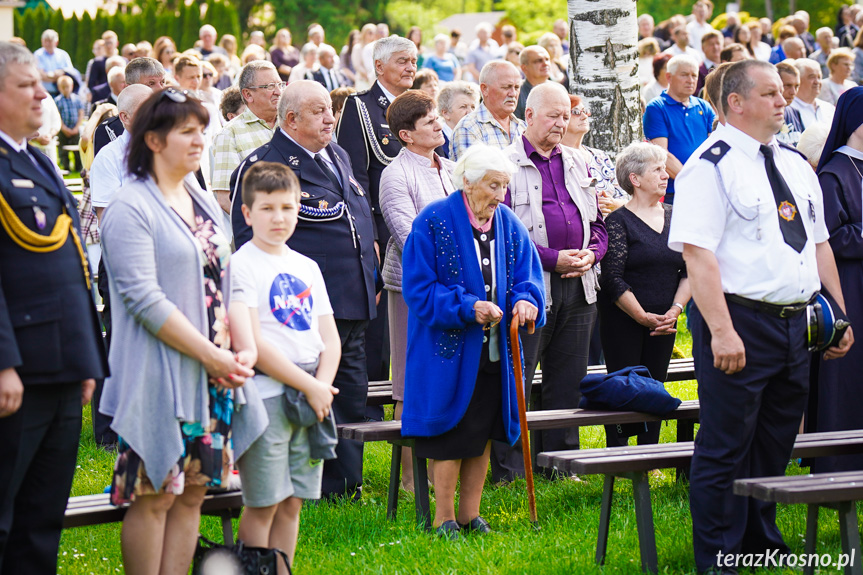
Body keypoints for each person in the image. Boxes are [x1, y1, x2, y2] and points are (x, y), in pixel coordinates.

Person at [668, 59, 853, 573]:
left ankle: (758, 537)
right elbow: (698, 256)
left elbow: (819, 246)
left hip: (797, 322)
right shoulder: (711, 165)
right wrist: (722, 331)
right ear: (736, 102)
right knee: (726, 443)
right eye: (771, 93)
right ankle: (718, 553)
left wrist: (836, 313)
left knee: (774, 441)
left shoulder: (794, 163)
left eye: (783, 93)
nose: (782, 101)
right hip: (739, 321)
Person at [99, 89, 254, 575]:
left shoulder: (200, 198)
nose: (198, 141)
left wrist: (239, 349)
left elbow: (227, 279)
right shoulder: (130, 206)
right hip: (160, 374)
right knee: (153, 497)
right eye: (186, 131)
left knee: (192, 495)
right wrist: (210, 355)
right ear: (152, 139)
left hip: (215, 375)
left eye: (201, 130)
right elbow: (143, 299)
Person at [231, 80, 377, 501]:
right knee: (293, 395)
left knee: (348, 393)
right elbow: (249, 243)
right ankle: (293, 483)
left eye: (329, 109)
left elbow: (353, 219)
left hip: (349, 297)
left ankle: (344, 486)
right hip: (295, 311)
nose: (330, 117)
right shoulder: (266, 164)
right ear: (291, 119)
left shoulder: (337, 153)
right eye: (318, 111)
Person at [0, 41, 107, 575]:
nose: (41, 94)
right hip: (17, 372)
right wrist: (3, 362)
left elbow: (73, 267)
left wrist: (86, 359)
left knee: (42, 517)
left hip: (62, 365)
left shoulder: (34, 160)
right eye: (26, 85)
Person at [401, 143, 545, 538]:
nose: (501, 195)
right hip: (446, 354)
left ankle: (469, 515)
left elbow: (527, 275)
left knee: (481, 431)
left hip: (494, 352)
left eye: (504, 186)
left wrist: (526, 303)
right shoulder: (433, 221)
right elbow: (418, 290)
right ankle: (442, 517)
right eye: (493, 185)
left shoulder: (508, 223)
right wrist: (468, 307)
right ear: (467, 182)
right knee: (453, 433)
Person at [229, 161, 340, 569]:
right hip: (268, 397)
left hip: (312, 395)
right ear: (247, 213)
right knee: (264, 503)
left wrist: (321, 386)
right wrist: (310, 387)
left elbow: (329, 338)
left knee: (292, 502)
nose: (279, 218)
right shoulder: (242, 264)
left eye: (288, 208)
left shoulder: (305, 266)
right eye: (268, 208)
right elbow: (253, 342)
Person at [504, 82, 607, 475]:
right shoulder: (506, 164)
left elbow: (598, 224)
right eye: (553, 115)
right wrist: (552, 259)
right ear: (529, 116)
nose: (562, 123)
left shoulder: (578, 161)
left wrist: (591, 254)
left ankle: (562, 465)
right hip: (530, 287)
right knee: (520, 379)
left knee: (569, 378)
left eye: (566, 115)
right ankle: (514, 469)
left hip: (580, 285)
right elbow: (504, 236)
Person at [379, 90, 456, 492]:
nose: (439, 125)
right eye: (429, 122)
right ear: (406, 135)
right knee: (410, 381)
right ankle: (410, 478)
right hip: (414, 289)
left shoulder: (452, 169)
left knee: (448, 375)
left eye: (437, 118)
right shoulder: (396, 175)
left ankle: (445, 468)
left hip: (456, 291)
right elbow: (408, 237)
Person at [335, 35, 418, 398]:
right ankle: (373, 399)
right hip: (382, 229)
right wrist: (367, 235)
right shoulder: (361, 107)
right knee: (380, 324)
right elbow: (355, 178)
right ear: (379, 66)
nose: (410, 67)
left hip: (422, 226)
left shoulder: (419, 106)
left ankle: (409, 388)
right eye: (402, 61)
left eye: (414, 60)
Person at [599, 142, 689, 447]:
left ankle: (650, 456)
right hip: (624, 319)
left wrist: (674, 311)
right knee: (625, 387)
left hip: (665, 319)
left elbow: (689, 270)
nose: (666, 175)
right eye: (658, 170)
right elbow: (611, 278)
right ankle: (618, 456)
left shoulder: (677, 216)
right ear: (635, 179)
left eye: (665, 169)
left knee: (655, 386)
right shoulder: (617, 222)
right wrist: (641, 316)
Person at [811, 87, 863, 473]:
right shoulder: (835, 173)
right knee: (847, 371)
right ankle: (840, 462)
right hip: (848, 285)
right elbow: (826, 236)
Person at [643, 54, 716, 203]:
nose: (691, 80)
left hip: (705, 189)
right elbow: (662, 155)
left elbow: (715, 147)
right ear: (669, 77)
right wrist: (692, 182)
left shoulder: (704, 106)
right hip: (674, 192)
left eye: (694, 75)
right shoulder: (657, 108)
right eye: (684, 75)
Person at [211, 60, 281, 214]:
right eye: (270, 86)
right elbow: (226, 197)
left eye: (280, 84)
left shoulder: (292, 125)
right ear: (248, 94)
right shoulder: (229, 134)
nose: (278, 91)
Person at [560, 93, 628, 214]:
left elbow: (626, 198)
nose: (584, 116)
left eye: (585, 111)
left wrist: (612, 204)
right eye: (576, 112)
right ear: (562, 118)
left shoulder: (600, 156)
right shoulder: (556, 158)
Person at [450, 60, 524, 161]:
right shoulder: (468, 128)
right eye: (506, 87)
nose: (513, 93)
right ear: (484, 89)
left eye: (517, 87)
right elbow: (473, 174)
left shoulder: (523, 127)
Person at [93, 57, 168, 156]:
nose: (160, 89)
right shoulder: (110, 129)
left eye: (162, 82)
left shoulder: (173, 121)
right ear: (129, 87)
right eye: (151, 83)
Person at [791, 58, 836, 129]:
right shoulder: (789, 110)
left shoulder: (829, 108)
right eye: (812, 77)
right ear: (797, 80)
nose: (817, 82)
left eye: (819, 77)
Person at [437, 81, 478, 158]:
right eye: (463, 107)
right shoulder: (436, 144)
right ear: (446, 113)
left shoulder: (478, 137)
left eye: (473, 107)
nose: (470, 112)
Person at [54, 75, 85, 172]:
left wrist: (77, 127)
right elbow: (57, 115)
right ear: (59, 88)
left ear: (71, 86)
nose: (66, 89)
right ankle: (66, 167)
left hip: (75, 128)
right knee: (63, 149)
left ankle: (78, 167)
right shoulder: (58, 101)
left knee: (77, 149)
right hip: (63, 129)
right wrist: (63, 128)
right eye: (63, 87)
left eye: (67, 87)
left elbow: (81, 113)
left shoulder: (77, 99)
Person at [514, 45, 551, 121]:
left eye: (547, 59)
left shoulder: (559, 89)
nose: (545, 64)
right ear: (524, 68)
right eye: (538, 61)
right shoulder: (516, 93)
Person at [34, 29, 74, 97]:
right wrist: (57, 76)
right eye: (45, 41)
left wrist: (50, 76)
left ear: (56, 42)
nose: (47, 44)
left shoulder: (63, 54)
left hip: (62, 94)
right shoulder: (38, 55)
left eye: (49, 41)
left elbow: (70, 72)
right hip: (44, 92)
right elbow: (40, 75)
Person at [776, 61, 805, 147]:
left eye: (796, 86)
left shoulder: (795, 112)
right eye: (787, 85)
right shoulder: (762, 116)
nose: (793, 92)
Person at [696, 30, 722, 96]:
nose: (715, 47)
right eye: (711, 44)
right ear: (703, 48)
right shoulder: (698, 70)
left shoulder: (728, 67)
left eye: (718, 43)